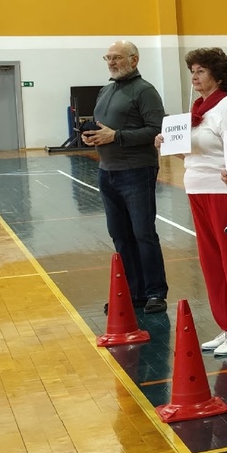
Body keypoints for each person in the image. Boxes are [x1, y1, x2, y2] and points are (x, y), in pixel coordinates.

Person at [161, 48, 227, 355]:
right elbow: (194, 156)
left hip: (225, 194)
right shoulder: (197, 111)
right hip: (198, 191)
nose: (194, 76)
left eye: (200, 71)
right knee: (212, 263)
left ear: (217, 75)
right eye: (192, 71)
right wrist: (166, 144)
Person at [86, 40, 168, 312]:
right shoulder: (106, 90)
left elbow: (156, 130)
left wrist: (116, 136)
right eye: (108, 57)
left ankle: (155, 292)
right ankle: (133, 292)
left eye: (117, 57)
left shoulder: (145, 91)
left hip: (136, 171)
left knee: (143, 233)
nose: (111, 62)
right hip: (107, 171)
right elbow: (105, 127)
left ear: (134, 60)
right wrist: (93, 136)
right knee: (119, 234)